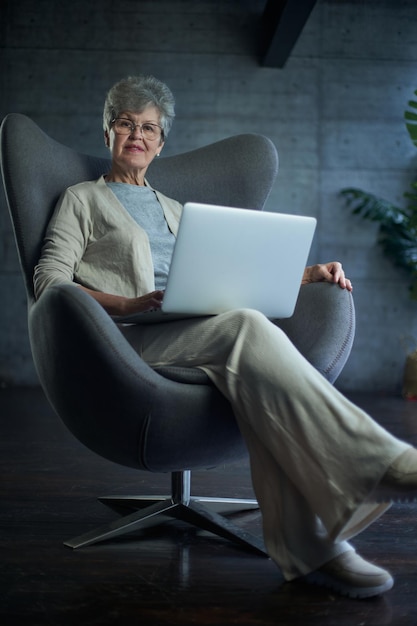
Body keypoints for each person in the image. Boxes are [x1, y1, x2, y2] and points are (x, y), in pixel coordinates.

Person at [34, 75, 417, 600]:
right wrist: (127, 303)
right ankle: (378, 466)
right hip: (128, 342)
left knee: (251, 350)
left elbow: (226, 278)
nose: (138, 136)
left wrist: (309, 275)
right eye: (126, 123)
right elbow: (50, 282)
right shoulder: (82, 200)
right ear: (108, 133)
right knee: (247, 328)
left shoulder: (176, 210)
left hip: (200, 328)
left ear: (162, 142)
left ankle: (309, 547)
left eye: (149, 128)